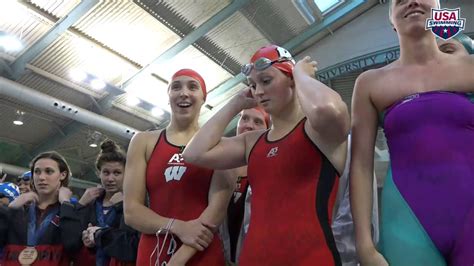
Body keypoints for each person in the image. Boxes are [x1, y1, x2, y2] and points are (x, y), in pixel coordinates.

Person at [183, 45, 350, 265]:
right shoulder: (253, 142)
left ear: (290, 78)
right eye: (253, 85)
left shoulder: (318, 132)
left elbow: (329, 110)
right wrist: (236, 103)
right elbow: (194, 153)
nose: (258, 91)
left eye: (266, 81)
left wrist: (300, 75)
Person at [350, 0, 474, 265]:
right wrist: (365, 245)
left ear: (440, 12)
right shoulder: (371, 83)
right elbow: (361, 164)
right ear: (391, 21)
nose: (412, 1)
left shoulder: (470, 68)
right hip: (406, 225)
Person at [123, 69, 234, 266]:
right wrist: (177, 227)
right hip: (154, 251)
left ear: (203, 98)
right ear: (168, 97)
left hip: (200, 251)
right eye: (176, 87)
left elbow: (216, 212)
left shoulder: (220, 146)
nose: (184, 92)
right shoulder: (144, 142)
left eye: (192, 87)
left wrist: (178, 259)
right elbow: (131, 212)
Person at [0, 151, 82, 265]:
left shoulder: (73, 211)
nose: (41, 177)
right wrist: (10, 208)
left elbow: (72, 244)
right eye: (37, 172)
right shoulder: (19, 211)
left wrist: (65, 204)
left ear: (62, 175)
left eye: (49, 171)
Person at [73, 140, 139, 266]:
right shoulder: (91, 203)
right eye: (106, 172)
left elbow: (132, 245)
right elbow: (72, 241)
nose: (110, 179)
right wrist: (87, 240)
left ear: (126, 174)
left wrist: (122, 206)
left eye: (117, 173)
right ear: (99, 173)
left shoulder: (135, 203)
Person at [219, 107, 270, 265]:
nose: (248, 125)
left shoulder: (270, 171)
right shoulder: (218, 166)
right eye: (245, 118)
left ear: (268, 131)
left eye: (257, 121)